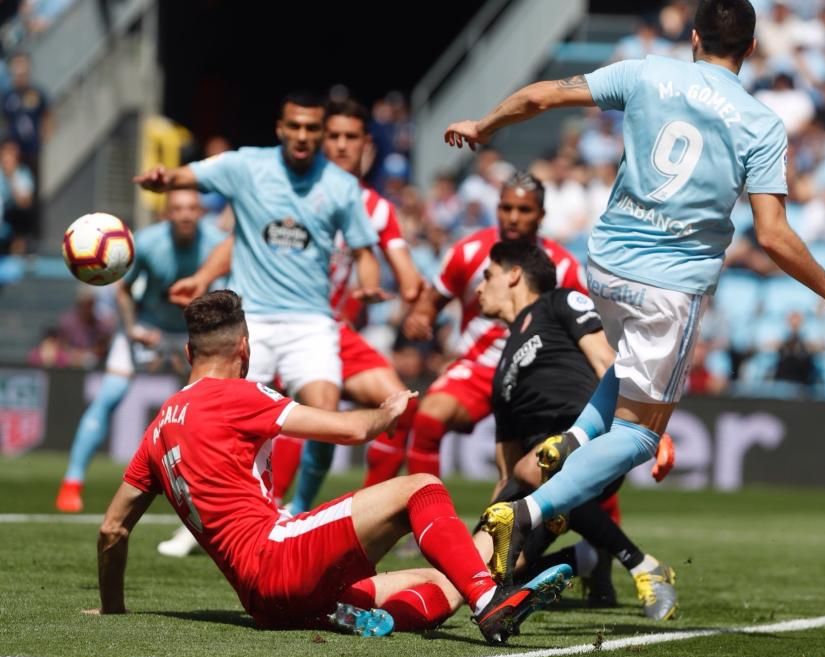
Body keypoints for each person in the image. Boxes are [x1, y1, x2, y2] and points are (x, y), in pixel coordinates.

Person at [443, 0, 825, 585]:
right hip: (668, 288)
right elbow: (771, 235)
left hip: (605, 266)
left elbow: (541, 97)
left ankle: (572, 437)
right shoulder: (760, 123)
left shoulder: (645, 72)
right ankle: (524, 513)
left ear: (694, 37)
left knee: (627, 368)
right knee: (642, 435)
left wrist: (484, 126)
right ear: (748, 49)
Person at [90, 290, 571, 643]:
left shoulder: (157, 430)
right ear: (245, 349)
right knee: (421, 488)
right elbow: (347, 430)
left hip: (263, 603)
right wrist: (383, 416)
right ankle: (490, 601)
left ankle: (394, 608)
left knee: (444, 581)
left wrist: (113, 609)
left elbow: (112, 529)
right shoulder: (240, 395)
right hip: (279, 555)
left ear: (190, 352)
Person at [134, 92, 381, 555]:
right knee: (221, 417)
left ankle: (296, 510)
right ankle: (204, 519)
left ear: (321, 131)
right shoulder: (248, 167)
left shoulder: (341, 186)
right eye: (296, 127)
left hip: (312, 320)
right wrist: (165, 180)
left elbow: (366, 251)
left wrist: (368, 284)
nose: (304, 136)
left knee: (324, 414)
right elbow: (191, 175)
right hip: (254, 320)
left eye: (313, 128)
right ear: (280, 128)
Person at [474, 240, 678, 620]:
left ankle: (641, 564)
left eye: (487, 276)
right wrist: (492, 528)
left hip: (586, 438)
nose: (479, 288)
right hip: (535, 471)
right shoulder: (502, 368)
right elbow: (507, 470)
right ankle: (586, 557)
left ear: (514, 274)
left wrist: (651, 425)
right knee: (483, 563)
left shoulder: (560, 302)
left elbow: (607, 361)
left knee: (543, 463)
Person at [274, 98, 424, 515]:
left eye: (350, 137)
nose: (341, 145)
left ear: (367, 147)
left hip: (336, 333)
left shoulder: (376, 208)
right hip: (284, 323)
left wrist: (415, 295)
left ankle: (364, 515)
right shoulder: (292, 191)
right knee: (279, 414)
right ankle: (259, 509)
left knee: (399, 404)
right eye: (333, 136)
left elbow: (404, 268)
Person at [400, 172, 586, 479]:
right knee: (427, 420)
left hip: (537, 375)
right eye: (506, 208)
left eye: (524, 210)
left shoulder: (563, 265)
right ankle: (427, 521)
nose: (513, 217)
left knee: (562, 461)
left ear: (541, 215)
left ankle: (604, 525)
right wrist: (421, 318)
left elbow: (586, 326)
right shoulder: (468, 251)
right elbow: (431, 302)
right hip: (480, 368)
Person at [56, 190, 226, 512]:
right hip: (146, 328)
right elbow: (122, 289)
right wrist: (132, 328)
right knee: (109, 395)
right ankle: (71, 482)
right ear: (167, 213)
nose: (186, 214)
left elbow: (228, 292)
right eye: (178, 208)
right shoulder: (145, 242)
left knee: (206, 412)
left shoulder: (218, 243)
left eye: (193, 208)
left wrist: (206, 335)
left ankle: (208, 491)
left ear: (202, 212)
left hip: (193, 333)